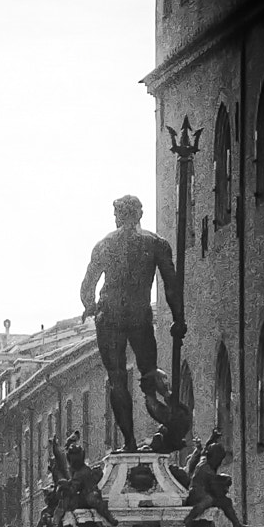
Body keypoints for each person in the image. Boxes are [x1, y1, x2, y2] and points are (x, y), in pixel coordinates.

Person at [78, 193, 185, 450]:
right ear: (140, 215)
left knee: (117, 379)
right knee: (148, 372)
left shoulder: (104, 245)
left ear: (117, 217)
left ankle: (129, 443)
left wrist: (90, 306)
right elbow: (171, 286)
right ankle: (168, 411)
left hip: (110, 316)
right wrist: (179, 318)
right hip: (139, 316)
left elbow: (87, 285)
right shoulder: (156, 244)